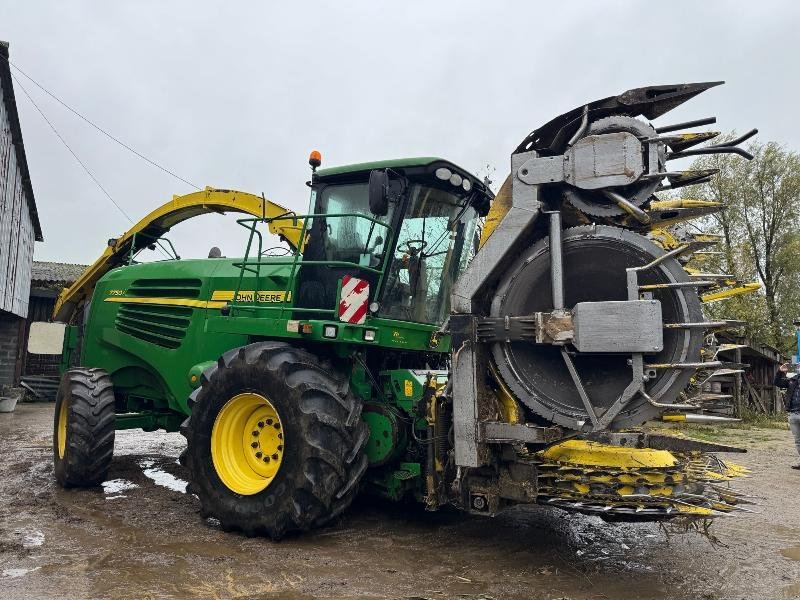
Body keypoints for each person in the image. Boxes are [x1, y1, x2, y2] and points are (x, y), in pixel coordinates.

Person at [774, 362, 800, 469]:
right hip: (793, 414)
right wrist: (780, 372)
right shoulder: (792, 380)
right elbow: (777, 382)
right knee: (798, 440)